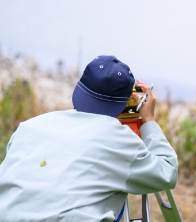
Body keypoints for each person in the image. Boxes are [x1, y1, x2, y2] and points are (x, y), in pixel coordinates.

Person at [0, 55, 178, 221]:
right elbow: (167, 172)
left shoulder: (30, 126)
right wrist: (148, 121)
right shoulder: (119, 140)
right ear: (126, 101)